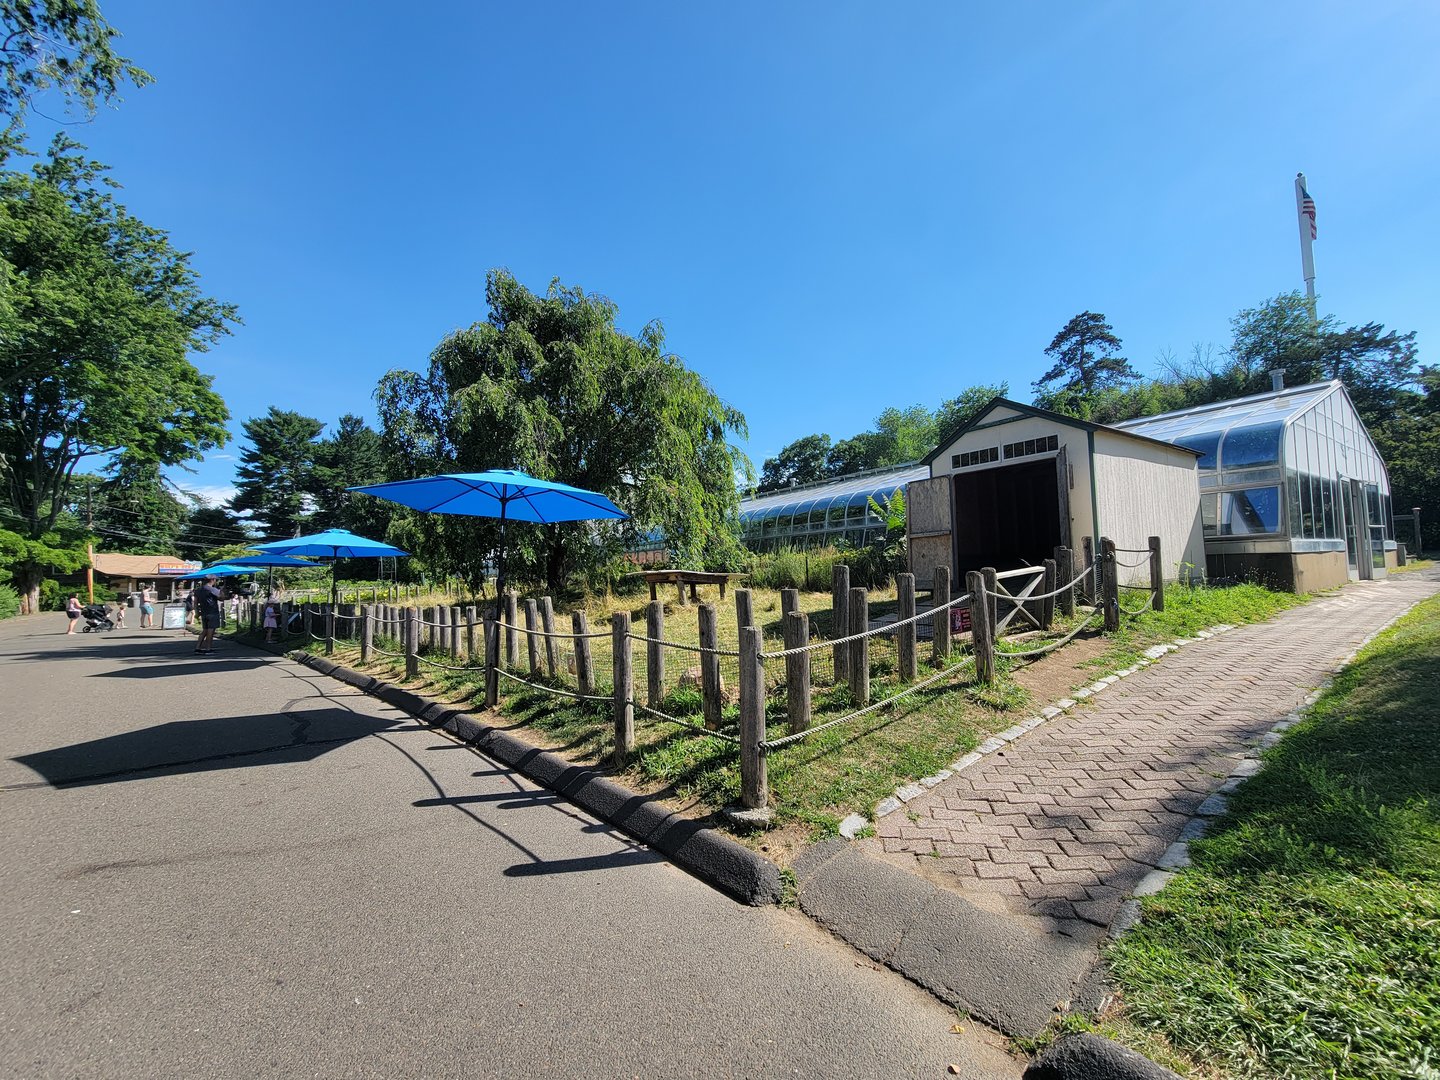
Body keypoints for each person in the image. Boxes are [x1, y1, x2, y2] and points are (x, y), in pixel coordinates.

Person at [193, 577, 224, 654]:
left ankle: (198, 647)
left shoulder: (198, 590)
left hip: (204, 612)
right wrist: (222, 590)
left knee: (204, 630)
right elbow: (221, 598)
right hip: (212, 612)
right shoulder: (212, 589)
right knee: (211, 631)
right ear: (212, 580)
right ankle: (208, 648)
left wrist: (197, 612)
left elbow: (195, 602)